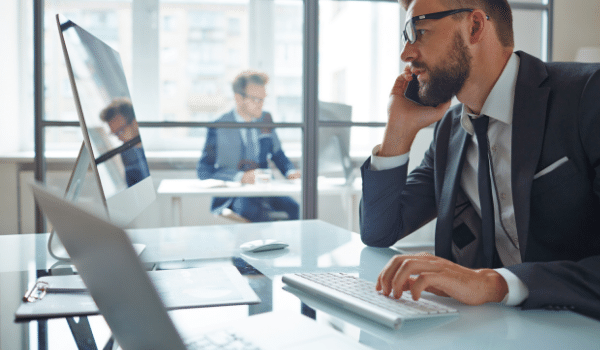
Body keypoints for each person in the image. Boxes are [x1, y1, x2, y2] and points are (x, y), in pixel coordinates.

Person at [360, 0, 600, 320]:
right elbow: (379, 231)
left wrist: (492, 283)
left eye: (419, 32)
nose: (406, 53)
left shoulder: (588, 94)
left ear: (474, 26)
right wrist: (398, 132)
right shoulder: (451, 131)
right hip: (497, 328)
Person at [197, 71, 301, 222]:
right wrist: (240, 177)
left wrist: (290, 171)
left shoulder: (265, 119)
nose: (261, 104)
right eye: (256, 100)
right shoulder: (218, 126)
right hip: (234, 195)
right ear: (238, 98)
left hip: (264, 189)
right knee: (252, 211)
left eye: (263, 100)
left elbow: (278, 155)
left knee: (295, 209)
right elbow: (204, 170)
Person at [99, 98, 150, 187]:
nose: (119, 138)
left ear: (135, 123)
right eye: (115, 134)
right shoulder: (127, 152)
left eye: (121, 131)